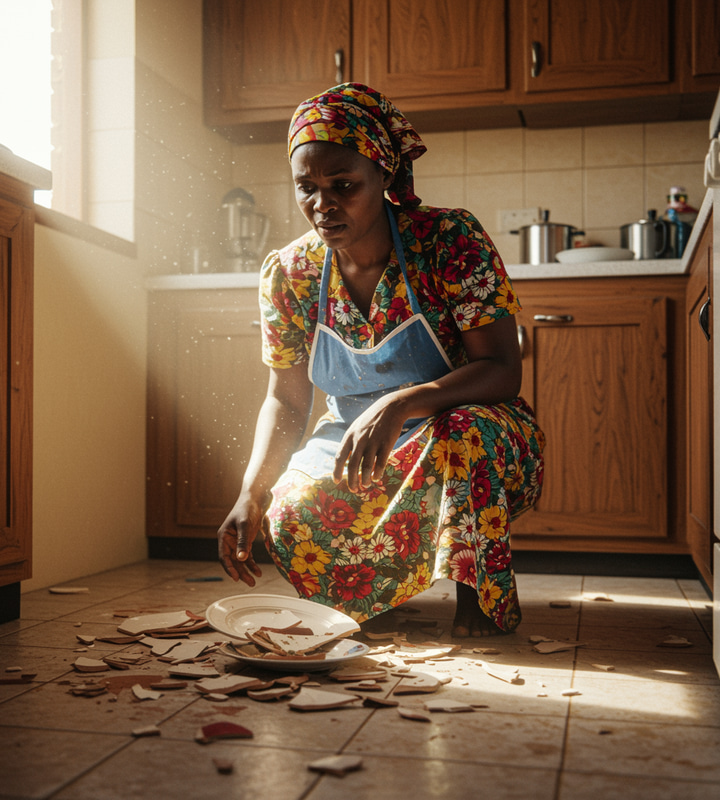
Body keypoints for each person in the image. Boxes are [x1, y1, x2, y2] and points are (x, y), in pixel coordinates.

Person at [217, 83, 545, 637]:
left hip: (469, 432)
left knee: (462, 433)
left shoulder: (448, 240)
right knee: (288, 506)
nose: (323, 205)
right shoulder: (291, 273)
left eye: (343, 186)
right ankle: (371, 596)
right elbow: (287, 399)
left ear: (384, 176)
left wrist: (402, 403)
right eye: (307, 188)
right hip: (352, 438)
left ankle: (476, 595)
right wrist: (251, 492)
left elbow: (502, 370)